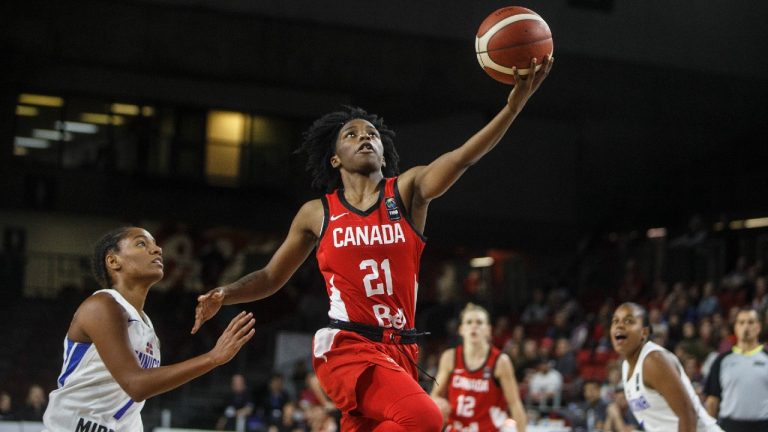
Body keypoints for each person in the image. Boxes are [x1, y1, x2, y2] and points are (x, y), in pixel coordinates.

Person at [192, 55, 554, 431]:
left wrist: (512, 108)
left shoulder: (408, 191)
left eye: (372, 134)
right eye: (352, 134)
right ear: (335, 159)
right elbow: (271, 276)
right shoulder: (317, 213)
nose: (365, 137)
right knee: (427, 417)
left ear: (384, 152)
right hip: (348, 346)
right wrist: (226, 293)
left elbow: (462, 159)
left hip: (401, 351)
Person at [43, 227, 256, 432]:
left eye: (155, 244)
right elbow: (135, 385)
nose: (158, 249)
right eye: (142, 244)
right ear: (113, 260)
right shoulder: (102, 305)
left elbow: (131, 400)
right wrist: (212, 358)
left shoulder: (146, 327)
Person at [610, 302, 722, 432]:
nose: (619, 325)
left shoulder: (653, 361)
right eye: (615, 321)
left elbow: (687, 414)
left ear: (644, 332)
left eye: (629, 321)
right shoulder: (626, 366)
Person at [430, 303, 527, 431]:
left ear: (488, 330)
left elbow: (515, 404)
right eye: (469, 322)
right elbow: (434, 395)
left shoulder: (500, 362)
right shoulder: (450, 357)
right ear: (461, 329)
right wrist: (439, 404)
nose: (474, 326)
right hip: (456, 428)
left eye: (479, 322)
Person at [703, 307, 768, 432]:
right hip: (729, 426)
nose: (746, 327)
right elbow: (712, 400)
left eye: (750, 322)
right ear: (736, 328)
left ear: (758, 327)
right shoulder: (721, 361)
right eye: (741, 322)